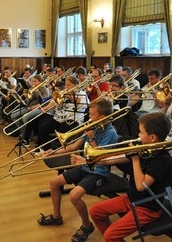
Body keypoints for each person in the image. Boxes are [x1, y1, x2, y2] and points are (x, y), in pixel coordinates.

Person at [37, 98, 117, 242]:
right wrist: (53, 152)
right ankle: (56, 217)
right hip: (84, 167)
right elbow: (73, 147)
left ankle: (86, 226)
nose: (88, 117)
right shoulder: (92, 126)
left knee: (74, 195)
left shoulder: (110, 133)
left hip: (98, 172)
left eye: (92, 114)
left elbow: (99, 157)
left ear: (102, 117)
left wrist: (91, 137)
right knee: (54, 183)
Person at [89, 112, 172, 242]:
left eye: (141, 132)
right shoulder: (144, 148)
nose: (138, 136)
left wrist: (135, 160)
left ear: (152, 137)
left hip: (147, 207)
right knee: (95, 211)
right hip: (131, 199)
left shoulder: (162, 159)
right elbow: (116, 159)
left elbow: (141, 186)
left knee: (110, 235)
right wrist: (91, 160)